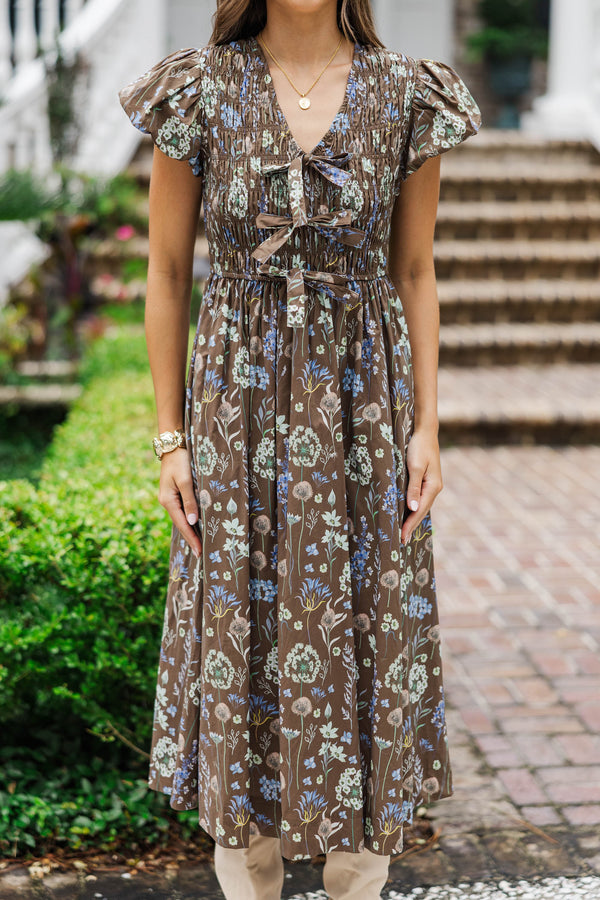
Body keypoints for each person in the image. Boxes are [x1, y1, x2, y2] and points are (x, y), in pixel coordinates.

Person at [118, 1, 481, 897]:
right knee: (239, 631)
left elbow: (414, 272)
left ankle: (358, 880)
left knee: (370, 624)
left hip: (365, 412)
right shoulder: (198, 90)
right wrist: (172, 438)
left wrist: (427, 425)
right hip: (236, 418)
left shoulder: (406, 94)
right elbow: (166, 277)